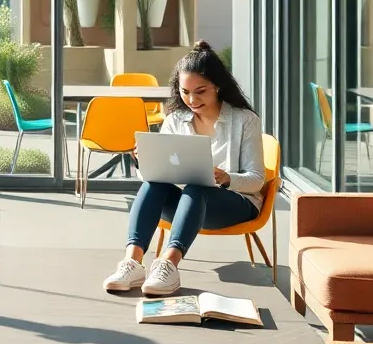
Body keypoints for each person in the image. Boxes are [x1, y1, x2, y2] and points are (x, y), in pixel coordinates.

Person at [102, 41, 264, 297]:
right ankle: (132, 264)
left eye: (200, 91)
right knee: (153, 184)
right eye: (185, 91)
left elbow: (257, 180)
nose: (191, 99)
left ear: (218, 86)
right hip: (186, 206)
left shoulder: (245, 120)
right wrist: (143, 161)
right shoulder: (175, 119)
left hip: (236, 203)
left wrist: (226, 178)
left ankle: (168, 265)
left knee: (197, 187)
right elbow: (155, 176)